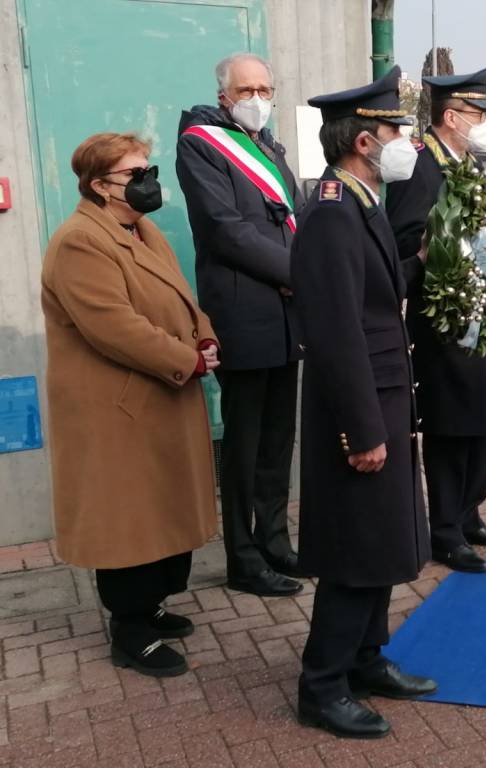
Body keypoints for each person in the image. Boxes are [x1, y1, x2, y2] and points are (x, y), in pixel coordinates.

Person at [291, 66, 436, 740]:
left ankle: (366, 658)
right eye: (394, 128)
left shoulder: (360, 200)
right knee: (355, 548)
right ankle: (322, 684)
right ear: (363, 141)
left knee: (380, 539)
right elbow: (335, 328)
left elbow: (373, 296)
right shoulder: (329, 210)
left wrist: (423, 261)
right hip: (359, 408)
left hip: (382, 394)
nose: (404, 139)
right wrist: (362, 428)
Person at [41, 132, 220, 677]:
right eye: (134, 174)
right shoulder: (79, 241)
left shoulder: (138, 228)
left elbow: (182, 296)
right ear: (100, 186)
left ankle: (154, 606)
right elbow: (113, 326)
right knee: (129, 523)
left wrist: (204, 337)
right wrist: (184, 360)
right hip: (116, 410)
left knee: (163, 511)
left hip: (156, 398)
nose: (148, 182)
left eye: (149, 169)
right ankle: (130, 631)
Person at [176, 52, 305, 597]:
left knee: (278, 440)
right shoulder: (201, 144)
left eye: (265, 89)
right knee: (245, 443)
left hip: (286, 315)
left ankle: (275, 540)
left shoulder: (268, 146)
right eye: (246, 90)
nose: (257, 99)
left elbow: (294, 214)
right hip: (243, 312)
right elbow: (225, 230)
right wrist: (296, 272)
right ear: (224, 94)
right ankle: (243, 556)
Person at [386, 68, 486, 574]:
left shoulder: (472, 163)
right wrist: (448, 251)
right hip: (446, 319)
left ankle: (469, 515)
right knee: (451, 424)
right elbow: (404, 243)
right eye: (479, 114)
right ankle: (443, 529)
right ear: (451, 116)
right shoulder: (420, 167)